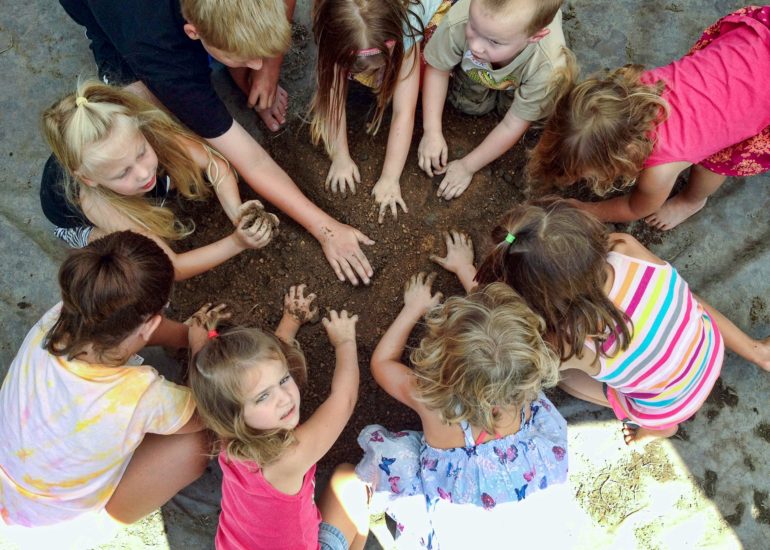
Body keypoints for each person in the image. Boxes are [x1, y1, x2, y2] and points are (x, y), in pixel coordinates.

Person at [58, 0, 375, 285]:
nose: (256, 64)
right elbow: (251, 161)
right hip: (118, 19)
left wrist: (269, 69)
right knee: (148, 111)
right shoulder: (165, 64)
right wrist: (324, 229)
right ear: (193, 32)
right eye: (245, 57)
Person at [432, 199, 770, 444]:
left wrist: (465, 269)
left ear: (533, 296)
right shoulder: (626, 247)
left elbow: (508, 335)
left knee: (566, 380)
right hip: (707, 346)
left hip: (667, 408)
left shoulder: (569, 341)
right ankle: (757, 351)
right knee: (683, 300)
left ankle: (657, 430)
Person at [0, 231, 210, 528]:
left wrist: (187, 335)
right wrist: (200, 348)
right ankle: (109, 520)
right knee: (197, 443)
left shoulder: (61, 316)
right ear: (151, 324)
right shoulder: (141, 395)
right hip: (59, 524)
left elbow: (132, 326)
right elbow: (207, 412)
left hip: (11, 484)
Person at [356, 274, 567, 548]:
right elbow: (500, 349)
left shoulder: (432, 402)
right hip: (522, 529)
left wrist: (413, 308)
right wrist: (467, 272)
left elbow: (382, 363)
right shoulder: (523, 391)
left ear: (442, 361)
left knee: (395, 456)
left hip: (459, 528)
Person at [528, 6, 770, 230]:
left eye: (586, 174)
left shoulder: (658, 174)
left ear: (620, 159)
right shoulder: (633, 87)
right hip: (752, 44)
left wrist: (587, 210)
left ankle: (692, 201)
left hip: (759, 95)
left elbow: (636, 207)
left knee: (715, 162)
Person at [189, 285, 370, 550]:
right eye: (263, 397)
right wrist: (345, 342)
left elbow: (256, 370)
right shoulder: (287, 458)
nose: (284, 398)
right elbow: (344, 400)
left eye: (284, 379)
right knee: (352, 479)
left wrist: (291, 320)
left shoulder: (228, 425)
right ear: (233, 414)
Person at [41, 81, 278, 280]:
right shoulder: (97, 204)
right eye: (123, 173)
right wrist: (237, 243)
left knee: (170, 172)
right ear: (88, 179)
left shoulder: (141, 132)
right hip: (79, 224)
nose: (144, 173)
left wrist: (237, 212)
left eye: (142, 153)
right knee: (126, 257)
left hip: (120, 187)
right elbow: (172, 267)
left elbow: (214, 164)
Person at [309, 0, 451, 223]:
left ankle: (392, 64)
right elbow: (331, 95)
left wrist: (390, 178)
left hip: (430, 10)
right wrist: (340, 157)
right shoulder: (334, 23)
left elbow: (404, 112)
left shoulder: (409, 24)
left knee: (422, 77)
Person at [417, 0, 572, 200]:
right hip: (482, 69)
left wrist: (468, 166)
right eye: (473, 27)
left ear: (535, 36)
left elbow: (514, 122)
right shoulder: (460, 19)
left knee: (524, 113)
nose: (476, 46)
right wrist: (431, 131)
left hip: (529, 74)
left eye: (494, 42)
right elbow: (438, 69)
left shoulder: (549, 66)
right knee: (469, 105)